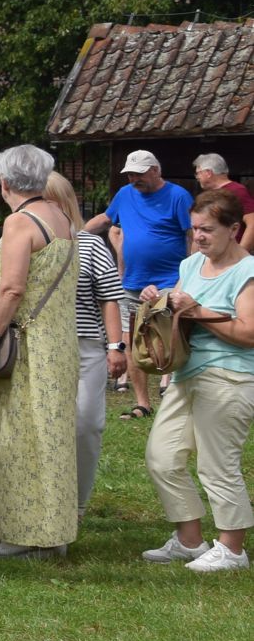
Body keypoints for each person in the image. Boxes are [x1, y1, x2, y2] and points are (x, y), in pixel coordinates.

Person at [0, 144, 79, 558]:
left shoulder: (20, 222)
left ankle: (31, 532)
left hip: (25, 343)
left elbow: (12, 288)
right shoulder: (61, 218)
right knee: (49, 437)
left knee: (21, 435)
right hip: (57, 341)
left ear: (4, 182)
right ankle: (52, 531)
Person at [137, 192, 254, 571]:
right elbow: (180, 311)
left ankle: (232, 550)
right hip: (187, 374)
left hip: (230, 376)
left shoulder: (247, 273)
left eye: (208, 229)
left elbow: (249, 333)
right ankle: (190, 542)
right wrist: (159, 299)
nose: (199, 236)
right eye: (194, 229)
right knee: (162, 457)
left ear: (234, 229)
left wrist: (196, 310)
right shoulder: (191, 264)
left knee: (218, 463)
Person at [90, 149, 195, 419]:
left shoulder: (178, 196)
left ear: (155, 171)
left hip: (170, 281)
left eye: (138, 173)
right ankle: (142, 403)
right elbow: (105, 220)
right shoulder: (124, 195)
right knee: (130, 342)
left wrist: (190, 275)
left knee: (168, 341)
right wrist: (70, 235)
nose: (133, 179)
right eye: (130, 174)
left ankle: (173, 399)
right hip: (132, 283)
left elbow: (192, 234)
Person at [49, 173, 125, 507]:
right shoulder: (25, 242)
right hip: (41, 347)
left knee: (86, 424)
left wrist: (115, 346)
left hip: (85, 347)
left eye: (50, 200)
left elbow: (110, 297)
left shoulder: (91, 244)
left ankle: (76, 503)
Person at [197, 154, 254, 222]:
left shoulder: (237, 190)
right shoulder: (212, 192)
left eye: (198, 173)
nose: (197, 177)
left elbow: (252, 222)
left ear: (208, 173)